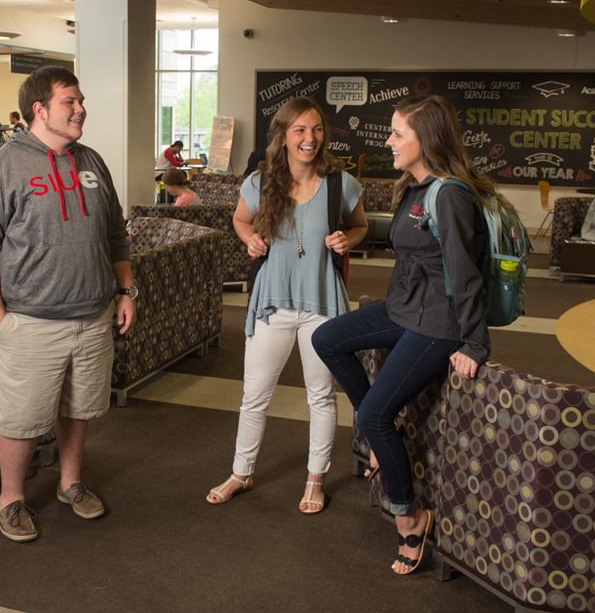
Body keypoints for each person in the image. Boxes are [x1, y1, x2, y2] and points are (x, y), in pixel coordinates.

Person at [311, 95, 494, 575]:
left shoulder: (450, 194)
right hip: (404, 310)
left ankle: (410, 519)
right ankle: (377, 437)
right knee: (327, 339)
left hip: (438, 324)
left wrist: (474, 344)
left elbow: (465, 275)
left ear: (425, 140)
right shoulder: (412, 189)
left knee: (374, 418)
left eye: (397, 134)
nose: (387, 141)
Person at [0, 65, 135, 543]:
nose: (80, 109)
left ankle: (70, 483)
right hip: (30, 320)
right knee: (20, 418)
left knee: (76, 409)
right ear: (40, 110)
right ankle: (10, 500)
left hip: (93, 315)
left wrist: (125, 291)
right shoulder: (4, 165)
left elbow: (116, 233)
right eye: (69, 102)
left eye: (80, 101)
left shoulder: (92, 161)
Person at [206, 96, 368, 515]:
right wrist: (249, 238)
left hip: (322, 303)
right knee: (255, 393)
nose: (309, 138)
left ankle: (316, 477)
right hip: (272, 303)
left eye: (316, 130)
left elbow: (361, 225)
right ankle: (241, 472)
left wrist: (346, 240)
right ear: (282, 135)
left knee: (321, 395)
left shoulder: (341, 184)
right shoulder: (260, 183)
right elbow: (241, 220)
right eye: (299, 130)